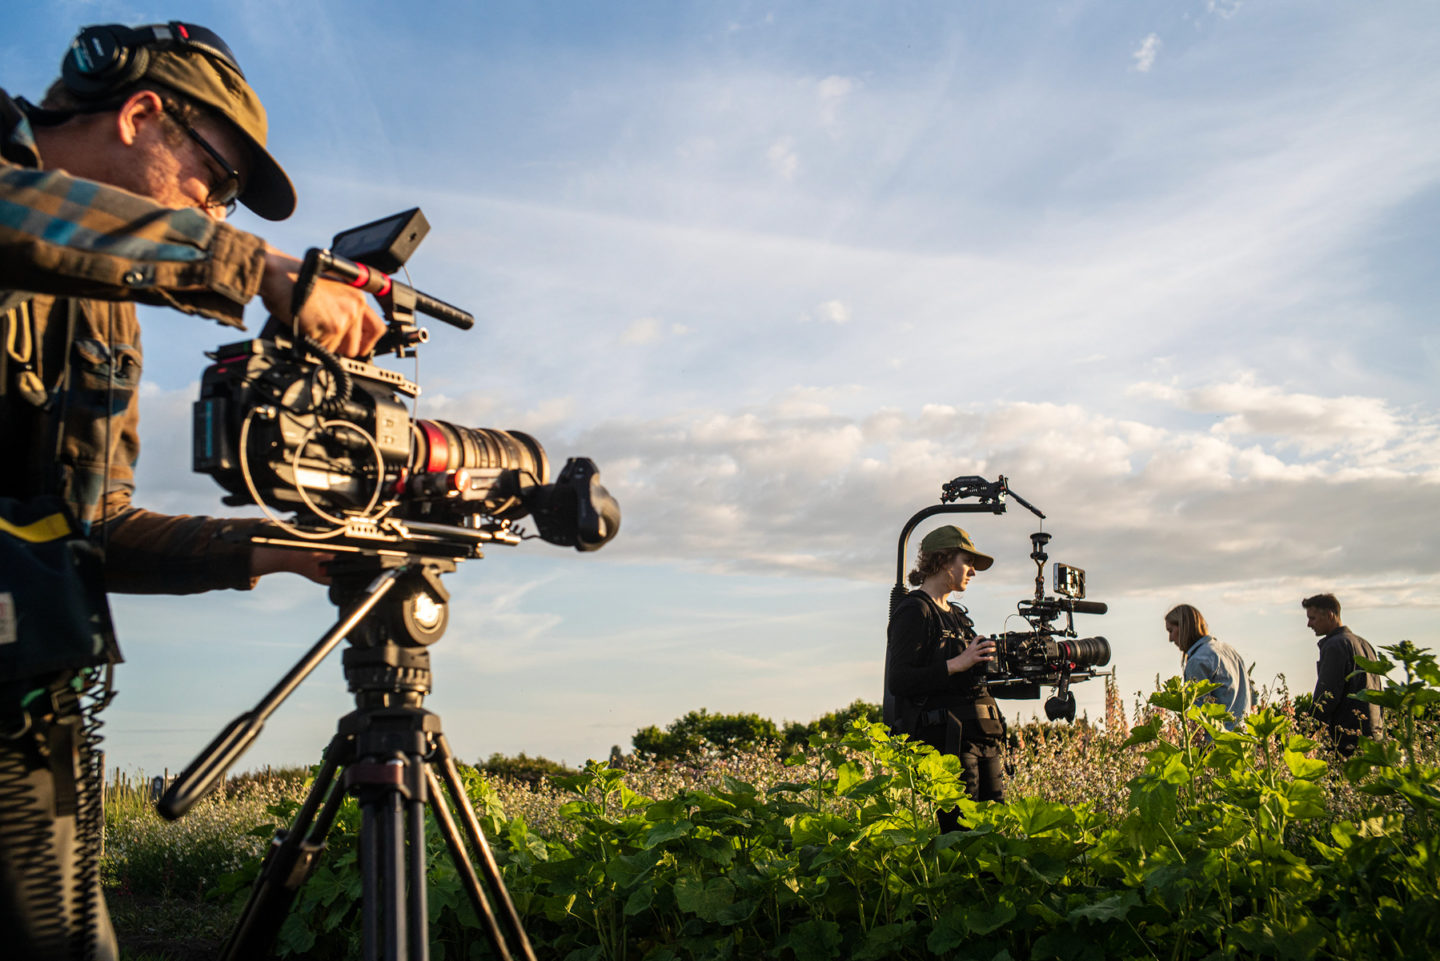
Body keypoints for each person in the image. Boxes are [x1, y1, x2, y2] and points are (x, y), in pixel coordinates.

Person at [1, 21, 385, 960]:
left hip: (27, 720)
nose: (217, 220)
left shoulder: (107, 307)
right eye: (215, 187)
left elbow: (96, 526)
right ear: (140, 115)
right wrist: (256, 269)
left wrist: (274, 549)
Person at [886, 525, 1003, 824]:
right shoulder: (914, 611)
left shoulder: (959, 616)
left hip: (982, 738)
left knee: (993, 827)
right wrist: (956, 664)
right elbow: (898, 680)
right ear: (942, 560)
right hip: (947, 745)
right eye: (967, 562)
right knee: (960, 834)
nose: (973, 572)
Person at [1303, 593, 1383, 756]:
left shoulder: (1335, 645)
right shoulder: (1365, 644)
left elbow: (1327, 695)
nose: (1309, 624)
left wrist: (1306, 731)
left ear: (1330, 615)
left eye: (1313, 618)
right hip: (1374, 736)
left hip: (1347, 739)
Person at [1165, 604, 1253, 731]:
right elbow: (1252, 696)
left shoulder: (1198, 661)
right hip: (1244, 739)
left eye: (1171, 631)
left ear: (1184, 627)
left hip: (1218, 744)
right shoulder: (1230, 651)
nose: (1170, 639)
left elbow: (1199, 713)